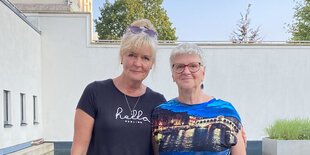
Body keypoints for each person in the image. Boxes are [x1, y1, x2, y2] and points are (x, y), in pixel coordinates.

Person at [71, 19, 166, 155]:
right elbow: (79, 150)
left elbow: (160, 151)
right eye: (132, 55)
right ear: (122, 56)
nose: (138, 63)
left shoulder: (158, 102)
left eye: (145, 58)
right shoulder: (95, 92)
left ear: (152, 63)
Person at [152, 43, 246, 155]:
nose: (186, 71)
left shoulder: (227, 111)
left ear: (203, 72)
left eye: (193, 66)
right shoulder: (160, 114)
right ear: (173, 74)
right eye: (180, 66)